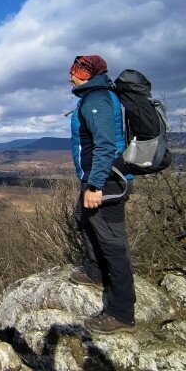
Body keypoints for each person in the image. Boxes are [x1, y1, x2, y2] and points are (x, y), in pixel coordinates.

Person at [68, 55, 136, 334]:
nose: (69, 76)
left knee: (113, 243)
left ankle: (121, 313)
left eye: (74, 71)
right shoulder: (93, 97)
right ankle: (97, 271)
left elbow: (105, 145)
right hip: (99, 179)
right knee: (83, 219)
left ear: (86, 74)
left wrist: (95, 186)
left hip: (106, 182)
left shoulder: (97, 99)